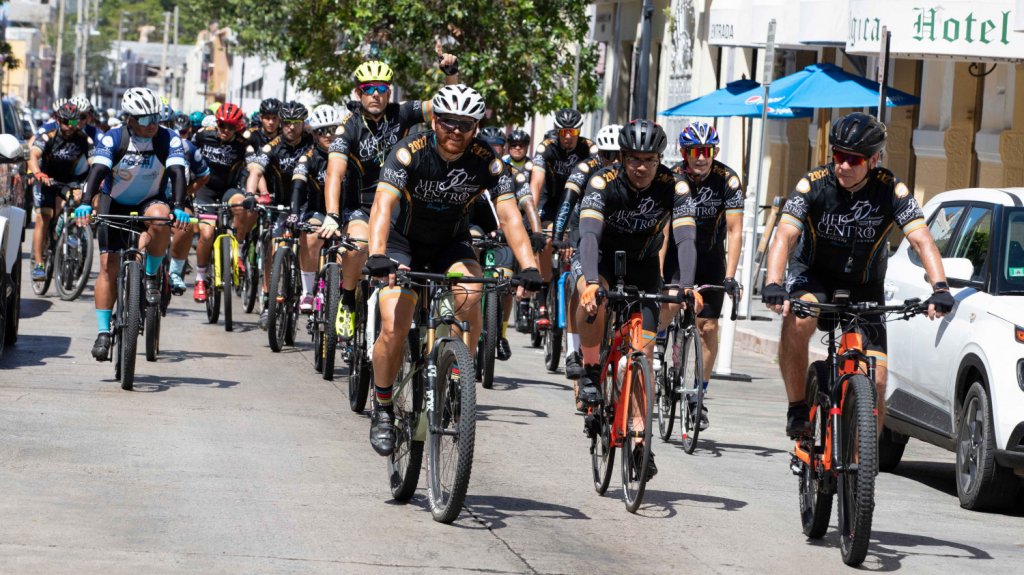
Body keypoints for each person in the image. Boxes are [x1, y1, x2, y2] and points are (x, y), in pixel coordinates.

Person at [364, 84, 543, 456]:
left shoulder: (487, 161)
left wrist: (528, 265)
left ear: (476, 127)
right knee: (394, 325)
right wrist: (377, 254)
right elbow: (382, 205)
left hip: (450, 243)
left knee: (471, 293)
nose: (456, 131)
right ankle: (382, 407)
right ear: (434, 121)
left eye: (465, 124)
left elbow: (510, 216)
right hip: (402, 243)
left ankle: (459, 378)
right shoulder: (408, 152)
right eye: (448, 122)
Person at [762, 112, 955, 438]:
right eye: (838, 156)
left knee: (877, 379)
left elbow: (922, 240)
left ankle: (861, 460)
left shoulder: (891, 190)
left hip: (865, 285)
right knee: (797, 321)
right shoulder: (814, 183)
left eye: (854, 160)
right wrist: (773, 282)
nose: (843, 166)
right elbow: (785, 235)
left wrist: (940, 287)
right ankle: (797, 408)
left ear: (874, 160)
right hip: (814, 277)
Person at [573, 119, 699, 479]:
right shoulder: (602, 182)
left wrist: (686, 285)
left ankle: (641, 440)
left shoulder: (675, 186)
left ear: (660, 159)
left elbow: (686, 238)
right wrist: (590, 282)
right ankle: (591, 369)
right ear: (622, 157)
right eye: (633, 159)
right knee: (592, 299)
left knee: (642, 354)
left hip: (643, 265)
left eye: (649, 160)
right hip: (601, 258)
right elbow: (589, 235)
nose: (641, 167)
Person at [322, 54, 460, 341]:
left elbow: (447, 107)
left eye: (382, 88)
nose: (376, 94)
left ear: (389, 92)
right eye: (369, 88)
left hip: (401, 205)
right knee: (358, 247)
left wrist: (451, 74)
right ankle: (348, 298)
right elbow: (334, 173)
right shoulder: (348, 127)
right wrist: (332, 215)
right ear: (358, 92)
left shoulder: (403, 113)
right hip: (362, 207)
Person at [73, 87, 190, 360]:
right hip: (114, 201)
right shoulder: (113, 138)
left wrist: (180, 206)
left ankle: (150, 276)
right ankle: (103, 332)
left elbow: (177, 173)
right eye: (146, 119)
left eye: (156, 117)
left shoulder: (168, 137)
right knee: (108, 266)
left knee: (161, 218)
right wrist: (85, 202)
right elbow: (98, 171)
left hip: (150, 199)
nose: (153, 124)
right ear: (130, 119)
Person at [661, 121, 743, 428]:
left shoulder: (728, 180)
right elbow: (663, 232)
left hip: (710, 256)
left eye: (707, 151)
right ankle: (658, 347)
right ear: (684, 153)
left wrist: (730, 276)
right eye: (695, 151)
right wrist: (658, 273)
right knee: (669, 303)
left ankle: (698, 395)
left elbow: (734, 231)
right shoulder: (671, 178)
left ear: (715, 152)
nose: (701, 157)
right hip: (675, 255)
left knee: (708, 327)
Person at [554, 123, 621, 381]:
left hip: (613, 231)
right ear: (598, 153)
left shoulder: (627, 173)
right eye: (607, 154)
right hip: (582, 225)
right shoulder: (586, 168)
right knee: (579, 282)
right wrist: (559, 237)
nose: (613, 160)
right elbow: (567, 201)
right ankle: (573, 350)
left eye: (618, 154)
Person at [245, 101, 315, 320]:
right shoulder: (272, 146)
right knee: (273, 246)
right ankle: (268, 297)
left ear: (304, 123)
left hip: (309, 204)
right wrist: (250, 194)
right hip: (282, 205)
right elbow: (256, 171)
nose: (291, 127)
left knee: (311, 241)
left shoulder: (312, 142)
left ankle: (312, 291)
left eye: (296, 123)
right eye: (287, 123)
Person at [529, 108, 598, 327]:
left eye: (572, 131)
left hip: (577, 203)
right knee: (547, 240)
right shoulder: (546, 148)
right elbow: (536, 183)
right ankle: (542, 298)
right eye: (563, 132)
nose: (568, 136)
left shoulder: (590, 149)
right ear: (557, 131)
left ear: (579, 131)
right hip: (550, 202)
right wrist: (532, 219)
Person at [287, 105, 345, 313]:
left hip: (345, 212)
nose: (328, 135)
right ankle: (308, 291)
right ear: (314, 134)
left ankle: (345, 295)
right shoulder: (308, 157)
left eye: (333, 129)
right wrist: (294, 213)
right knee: (311, 237)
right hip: (318, 211)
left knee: (351, 249)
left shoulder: (349, 154)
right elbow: (298, 185)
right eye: (322, 131)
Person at [191, 102, 251, 303]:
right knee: (207, 233)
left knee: (241, 205)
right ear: (216, 123)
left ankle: (239, 252)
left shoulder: (243, 144)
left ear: (238, 127)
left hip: (229, 189)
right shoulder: (203, 136)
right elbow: (186, 153)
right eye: (222, 125)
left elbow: (255, 166)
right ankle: (200, 279)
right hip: (205, 189)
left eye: (231, 127)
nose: (225, 130)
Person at [28, 101, 93, 280]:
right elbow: (33, 155)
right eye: (66, 122)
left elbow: (94, 162)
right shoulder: (47, 136)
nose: (70, 126)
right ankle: (39, 264)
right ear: (58, 120)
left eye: (74, 122)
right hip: (46, 180)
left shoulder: (84, 139)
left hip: (69, 182)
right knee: (44, 216)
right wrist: (38, 173)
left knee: (75, 203)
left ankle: (69, 233)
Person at [165, 111, 211, 294]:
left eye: (183, 133)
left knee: (187, 224)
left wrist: (187, 192)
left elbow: (204, 175)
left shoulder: (188, 147)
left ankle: (175, 272)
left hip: (179, 198)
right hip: (150, 196)